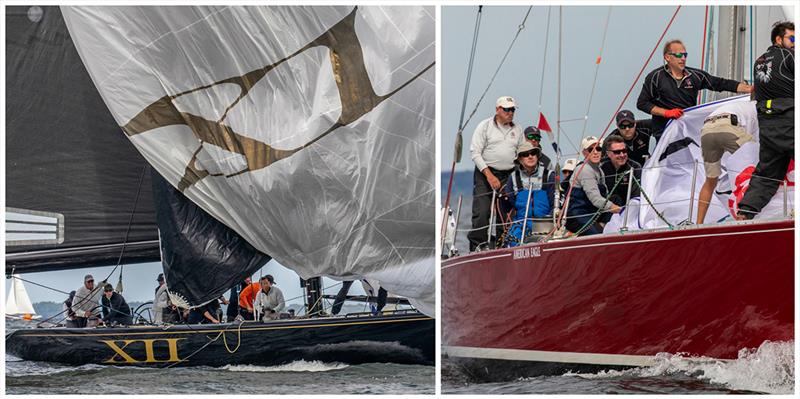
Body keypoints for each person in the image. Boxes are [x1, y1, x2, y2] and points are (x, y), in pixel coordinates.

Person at [637, 39, 753, 143]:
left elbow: (720, 83)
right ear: (667, 57)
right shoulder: (655, 77)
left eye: (685, 55)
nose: (683, 58)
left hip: (688, 130)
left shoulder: (695, 76)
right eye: (678, 55)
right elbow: (642, 104)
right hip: (665, 131)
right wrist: (667, 113)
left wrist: (748, 89)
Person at [736, 22, 794, 220]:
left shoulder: (758, 61)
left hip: (767, 121)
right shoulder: (788, 55)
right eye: (792, 39)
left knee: (768, 172)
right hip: (789, 118)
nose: (796, 44)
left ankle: (745, 212)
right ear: (779, 39)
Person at [468, 96, 523, 251]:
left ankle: (502, 245)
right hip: (485, 172)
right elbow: (475, 153)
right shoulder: (484, 126)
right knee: (482, 211)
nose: (510, 112)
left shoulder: (517, 129)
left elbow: (521, 152)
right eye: (507, 109)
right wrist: (489, 176)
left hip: (508, 173)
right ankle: (477, 245)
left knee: (505, 212)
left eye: (512, 109)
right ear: (498, 109)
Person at [695, 101, 759, 224]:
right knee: (759, 170)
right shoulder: (759, 107)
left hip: (707, 129)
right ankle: (745, 215)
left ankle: (698, 224)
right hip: (730, 126)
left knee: (710, 181)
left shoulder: (740, 105)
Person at [499, 142, 555, 247]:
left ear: (537, 156)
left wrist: (550, 221)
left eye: (533, 153)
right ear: (520, 159)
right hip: (521, 224)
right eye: (525, 154)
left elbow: (555, 204)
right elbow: (508, 205)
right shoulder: (513, 178)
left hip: (545, 222)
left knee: (547, 241)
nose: (530, 156)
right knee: (513, 241)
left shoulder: (549, 175)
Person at [565, 137, 621, 236]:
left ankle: (603, 225)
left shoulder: (598, 170)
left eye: (598, 149)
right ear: (584, 153)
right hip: (578, 215)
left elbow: (605, 196)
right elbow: (595, 199)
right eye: (591, 149)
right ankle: (574, 233)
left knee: (615, 198)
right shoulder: (585, 169)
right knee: (599, 235)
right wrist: (619, 209)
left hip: (593, 213)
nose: (595, 152)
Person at [600, 135, 642, 207]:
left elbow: (636, 196)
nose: (622, 155)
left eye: (624, 151)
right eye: (617, 152)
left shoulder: (635, 167)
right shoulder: (601, 167)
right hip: (607, 208)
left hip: (628, 209)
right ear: (608, 154)